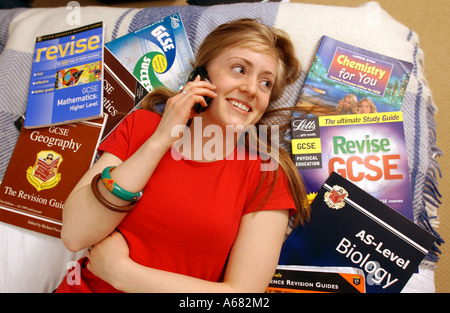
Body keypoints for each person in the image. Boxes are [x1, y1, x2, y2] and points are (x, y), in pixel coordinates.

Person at [56, 18, 310, 293]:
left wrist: (123, 274)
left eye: (265, 83)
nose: (251, 89)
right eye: (239, 69)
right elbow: (74, 234)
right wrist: (160, 140)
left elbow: (242, 295)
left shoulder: (265, 174)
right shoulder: (141, 127)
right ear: (200, 74)